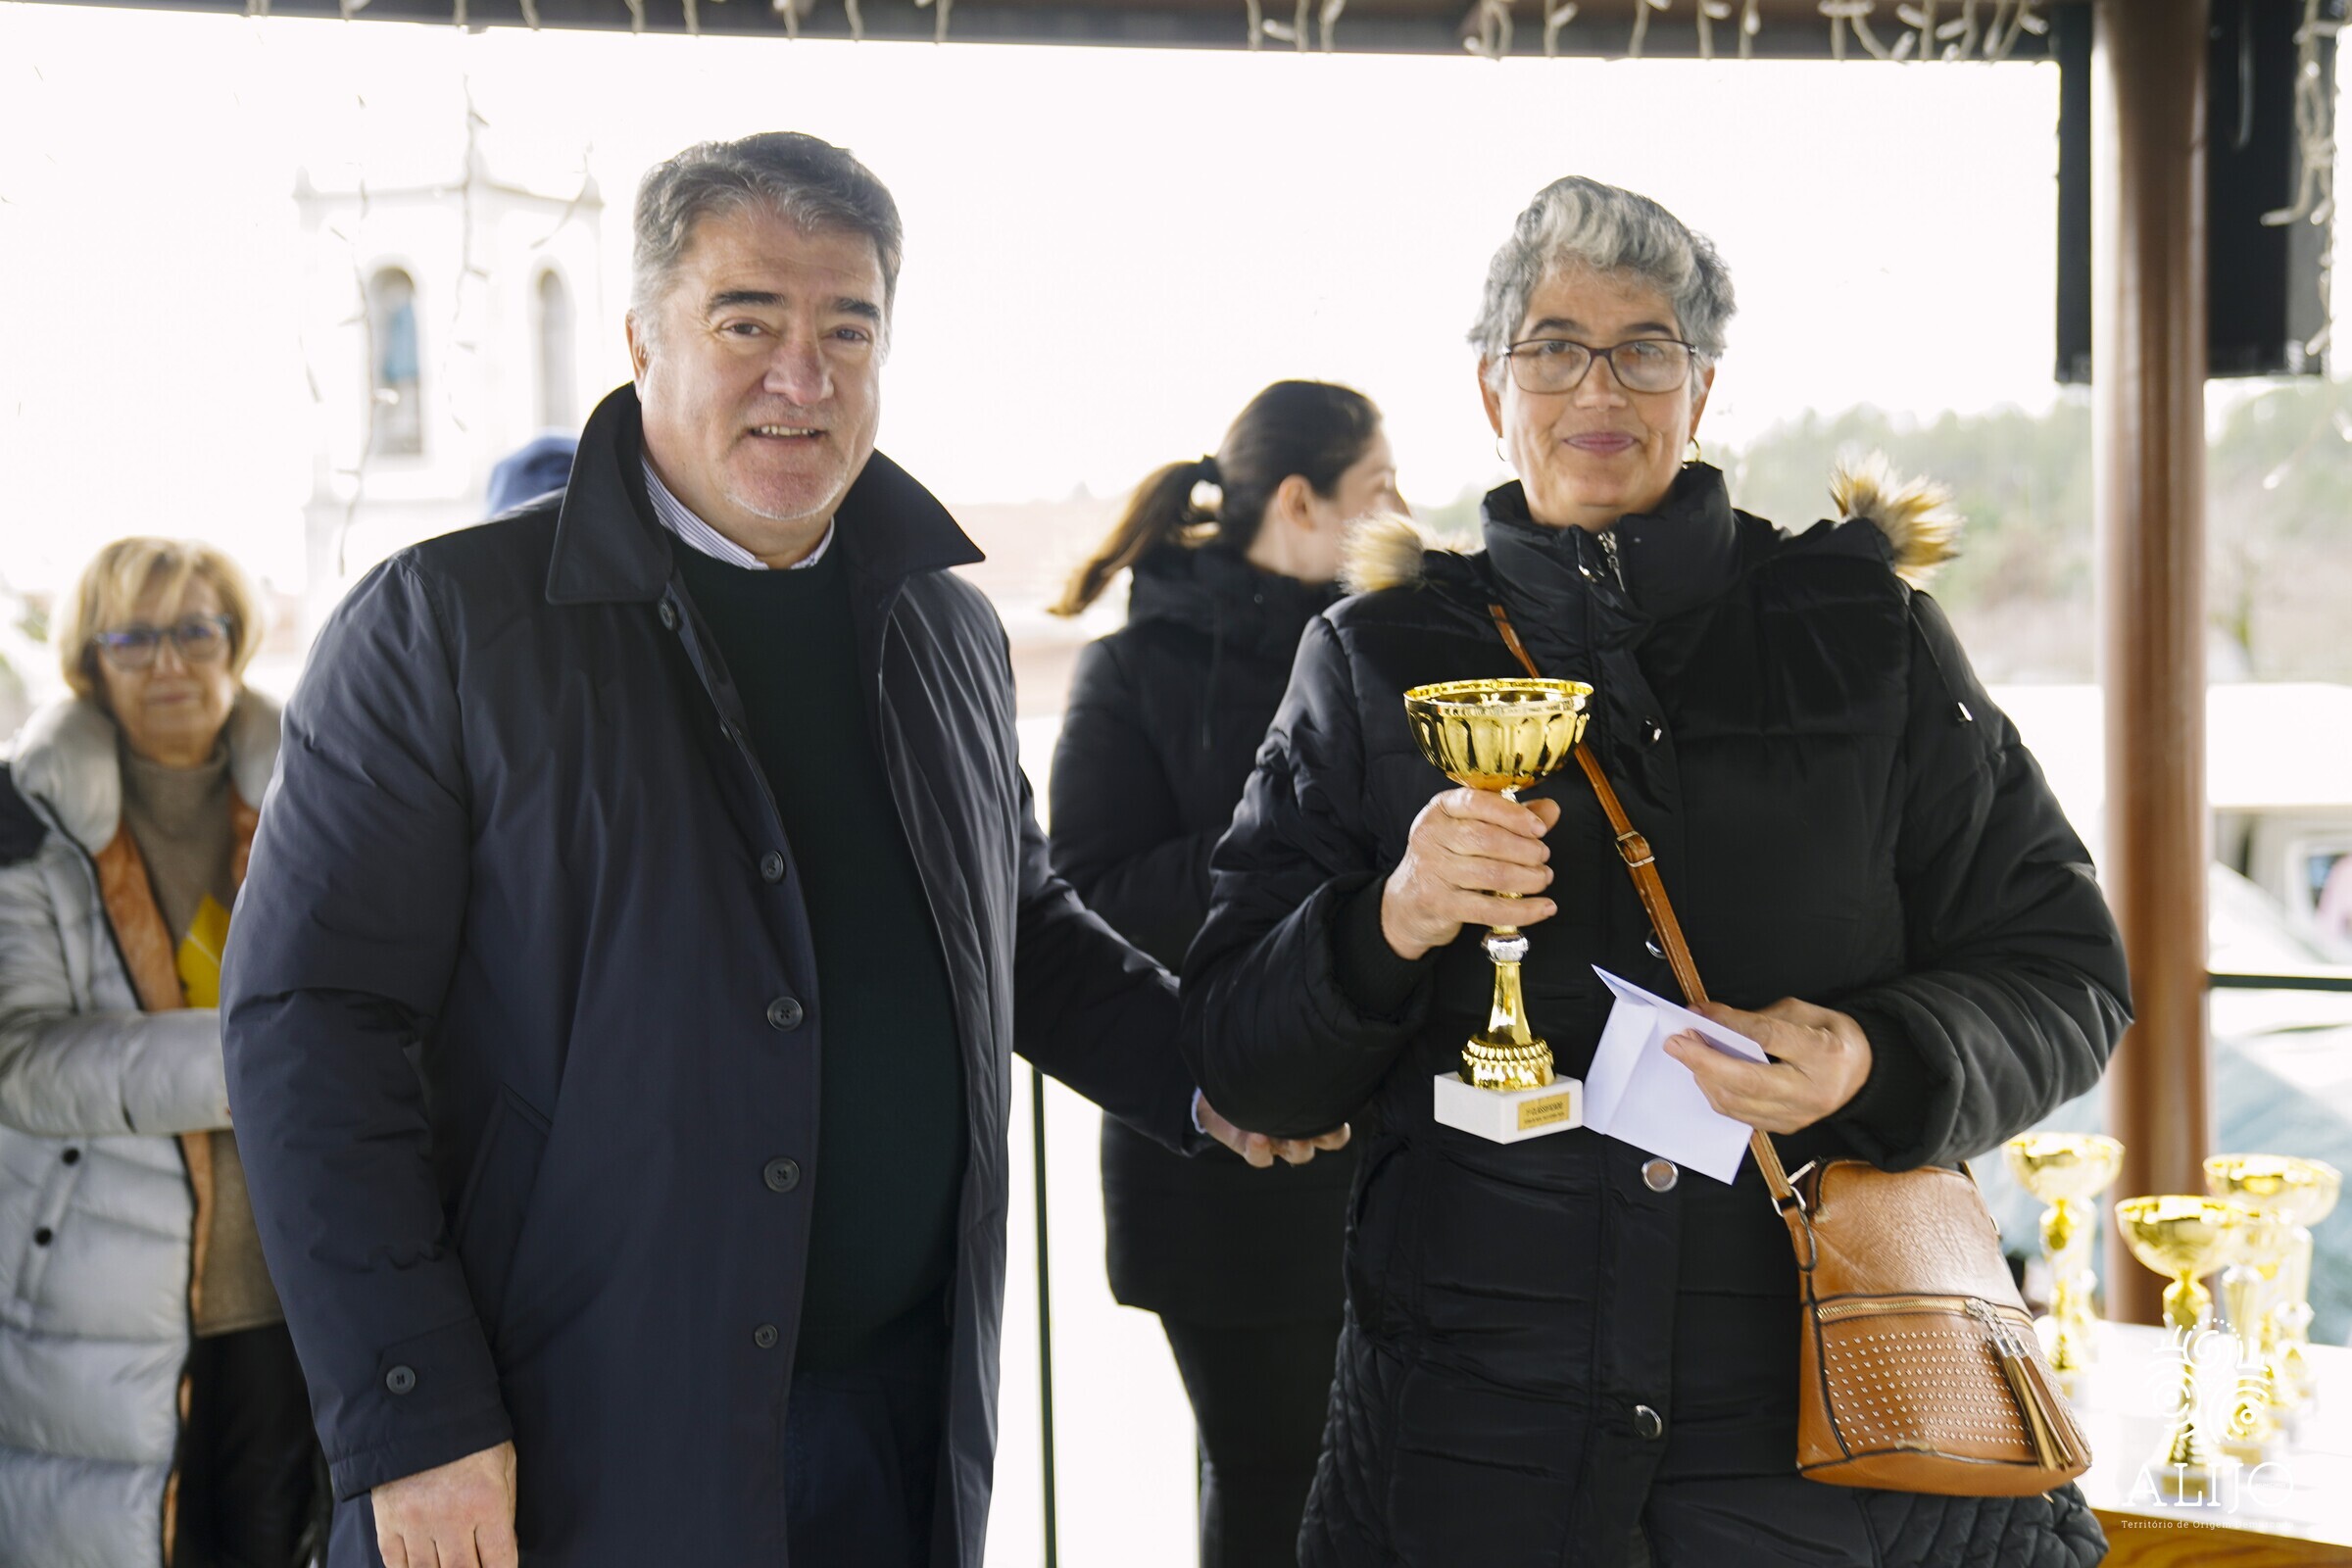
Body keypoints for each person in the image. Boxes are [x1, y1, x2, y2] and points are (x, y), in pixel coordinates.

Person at [218, 132, 1339, 1568]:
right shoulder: (445, 628)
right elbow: (311, 1032)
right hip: (573, 1437)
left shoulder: (941, 628)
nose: (799, 377)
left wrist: (1214, 1071)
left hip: (896, 1421)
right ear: (640, 339)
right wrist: (414, 1414)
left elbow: (1021, 932)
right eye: (747, 323)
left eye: (845, 330)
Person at [1181, 176, 2132, 1568]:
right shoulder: (1375, 660)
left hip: (1824, 1446)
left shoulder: (1867, 636)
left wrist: (1871, 1057)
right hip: (1473, 1453)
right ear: (1493, 388)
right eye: (1555, 347)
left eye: (1646, 347)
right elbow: (1237, 1056)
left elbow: (2067, 973)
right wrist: (1397, 915)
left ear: (1702, 387)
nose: (1597, 387)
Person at [1047, 381, 1403, 1568]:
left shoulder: (1387, 660)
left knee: (1381, 1486)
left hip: (1389, 1157)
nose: (1407, 510)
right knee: (1270, 1487)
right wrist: (1311, 854)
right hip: (1216, 1170)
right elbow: (1089, 895)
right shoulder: (1133, 669)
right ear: (1302, 503)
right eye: (1380, 488)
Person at [0, 539, 324, 1567]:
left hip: (291, 1292)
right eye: (133, 637)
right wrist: (259, 1061)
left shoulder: (330, 794)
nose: (170, 663)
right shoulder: (25, 822)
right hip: (101, 1297)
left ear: (237, 641)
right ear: (89, 662)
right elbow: (22, 1061)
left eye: (196, 629)